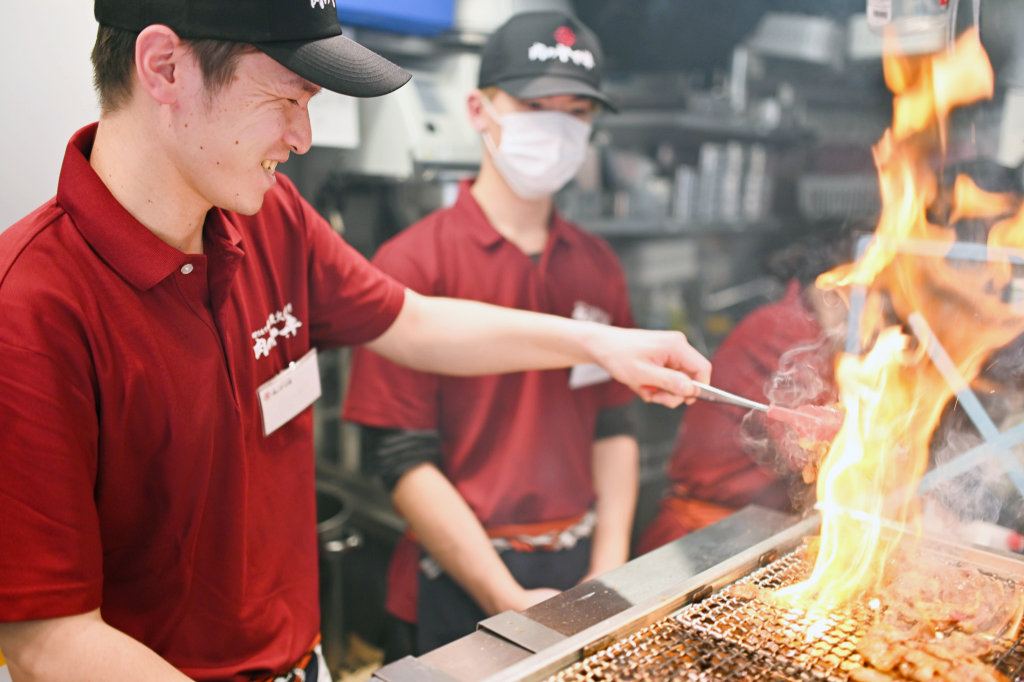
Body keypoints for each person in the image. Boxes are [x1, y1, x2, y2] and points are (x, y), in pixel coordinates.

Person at [0, 3, 713, 682]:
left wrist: (602, 345)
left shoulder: (270, 216)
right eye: (286, 98)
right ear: (163, 67)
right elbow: (48, 641)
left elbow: (412, 322)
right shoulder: (32, 309)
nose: (303, 137)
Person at [341, 12, 642, 656]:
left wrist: (610, 575)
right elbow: (400, 458)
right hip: (457, 580)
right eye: (536, 104)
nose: (558, 127)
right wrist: (501, 595)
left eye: (578, 112)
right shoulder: (414, 265)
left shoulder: (598, 266)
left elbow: (614, 428)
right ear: (479, 109)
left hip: (582, 567)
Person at [635, 228, 853, 556]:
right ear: (833, 292)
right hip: (701, 544)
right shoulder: (787, 331)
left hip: (739, 537)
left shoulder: (810, 332)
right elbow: (817, 453)